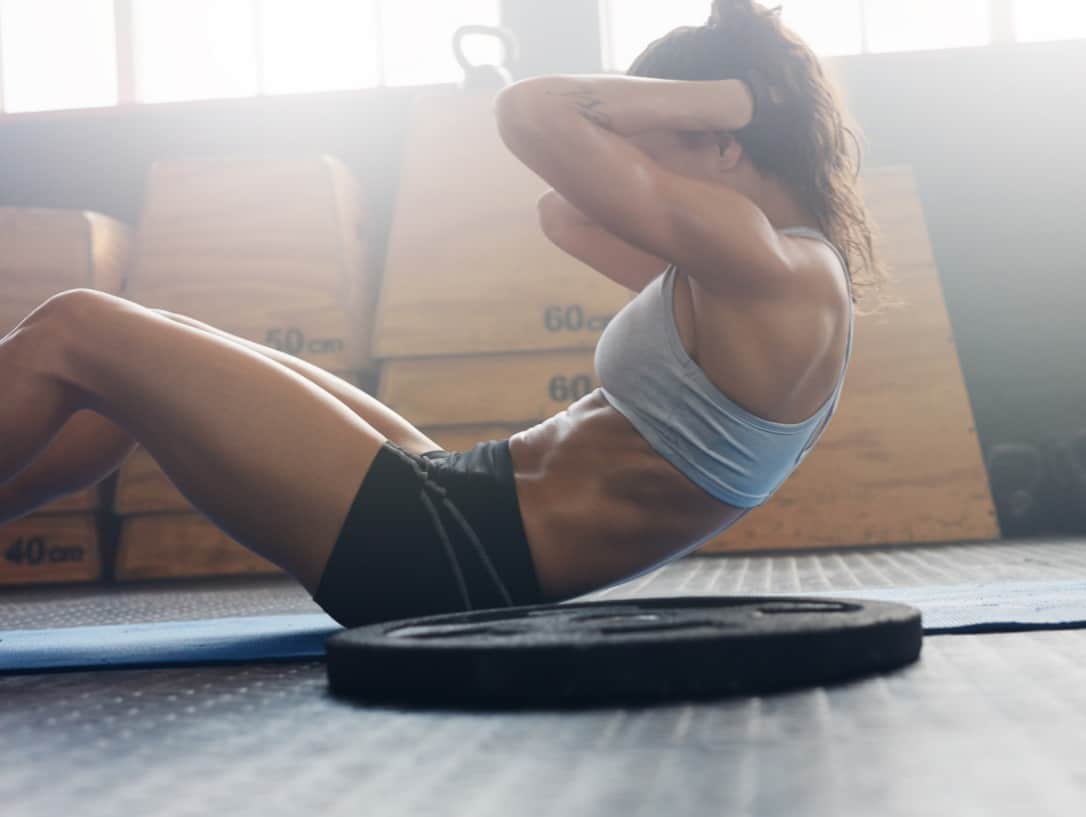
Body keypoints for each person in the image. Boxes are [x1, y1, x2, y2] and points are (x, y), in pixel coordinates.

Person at [0, 0, 878, 627]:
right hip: (462, 512)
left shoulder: (766, 261)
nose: (637, 161)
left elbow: (527, 112)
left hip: (440, 547)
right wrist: (693, 115)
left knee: (78, 328)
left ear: (725, 143)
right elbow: (564, 211)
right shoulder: (776, 277)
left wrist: (725, 96)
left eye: (665, 144)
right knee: (142, 360)